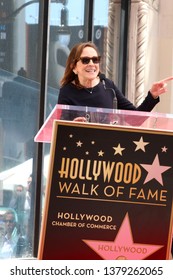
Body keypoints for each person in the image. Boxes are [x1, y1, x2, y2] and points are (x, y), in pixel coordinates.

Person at [58, 41, 173, 122]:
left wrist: (152, 96)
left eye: (95, 59)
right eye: (85, 60)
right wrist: (72, 124)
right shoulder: (67, 91)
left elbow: (135, 119)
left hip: (107, 150)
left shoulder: (108, 86)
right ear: (74, 67)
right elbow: (60, 127)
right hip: (80, 152)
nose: (92, 64)